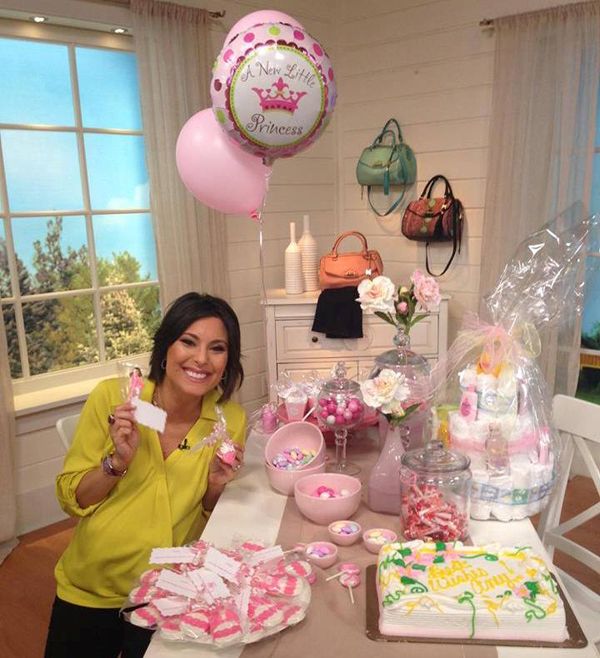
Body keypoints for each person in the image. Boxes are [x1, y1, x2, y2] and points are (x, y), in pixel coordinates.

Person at [44, 292, 247, 658]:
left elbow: (209, 516)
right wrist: (117, 462)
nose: (201, 359)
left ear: (227, 361)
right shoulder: (115, 400)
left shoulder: (228, 420)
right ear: (165, 347)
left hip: (169, 591)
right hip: (95, 585)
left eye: (217, 348)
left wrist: (216, 486)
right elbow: (72, 500)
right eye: (188, 342)